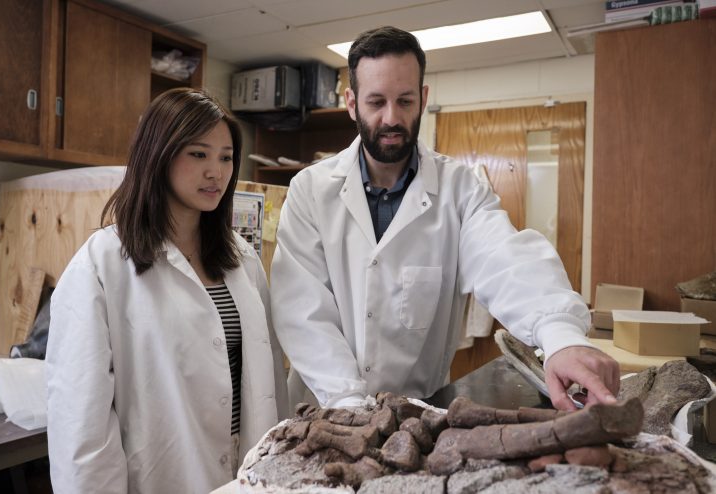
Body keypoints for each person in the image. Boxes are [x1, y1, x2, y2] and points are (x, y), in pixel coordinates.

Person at [270, 26, 619, 413]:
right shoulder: (311, 190)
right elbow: (303, 310)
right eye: (376, 102)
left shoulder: (460, 189)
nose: (391, 118)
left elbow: (503, 257)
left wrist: (560, 335)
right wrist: (348, 402)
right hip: (326, 407)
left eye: (404, 101)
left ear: (423, 98)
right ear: (352, 103)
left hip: (417, 412)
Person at [46, 88, 288, 493]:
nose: (216, 171)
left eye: (226, 157)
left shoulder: (241, 258)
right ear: (158, 154)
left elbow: (269, 384)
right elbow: (80, 420)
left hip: (248, 473)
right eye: (198, 154)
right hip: (163, 474)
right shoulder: (103, 264)